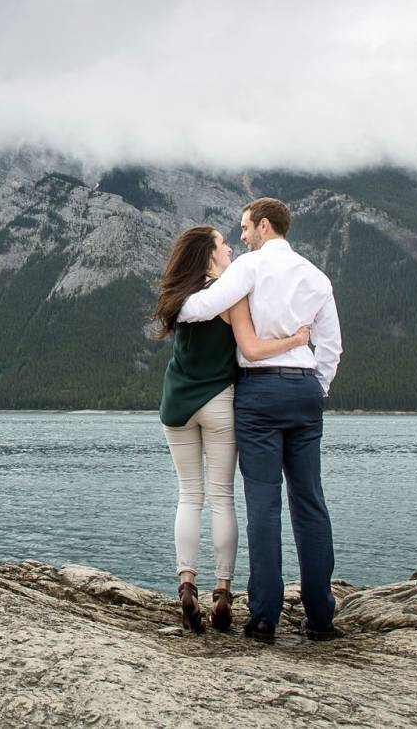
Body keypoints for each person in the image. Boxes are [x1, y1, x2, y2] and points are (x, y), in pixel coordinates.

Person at [176, 197, 343, 643]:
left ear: (265, 226)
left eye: (246, 228)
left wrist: (175, 305)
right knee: (310, 502)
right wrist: (316, 389)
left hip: (260, 392)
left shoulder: (249, 268)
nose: (243, 236)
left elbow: (205, 307)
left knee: (264, 506)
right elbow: (331, 348)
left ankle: (265, 617)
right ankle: (321, 617)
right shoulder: (317, 277)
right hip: (305, 390)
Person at [154, 224, 311, 634]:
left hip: (177, 403)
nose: (230, 248)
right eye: (223, 244)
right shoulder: (230, 295)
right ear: (209, 254)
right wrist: (295, 339)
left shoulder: (178, 295)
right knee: (222, 498)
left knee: (190, 495)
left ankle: (186, 584)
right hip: (220, 402)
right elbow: (251, 348)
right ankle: (222, 593)